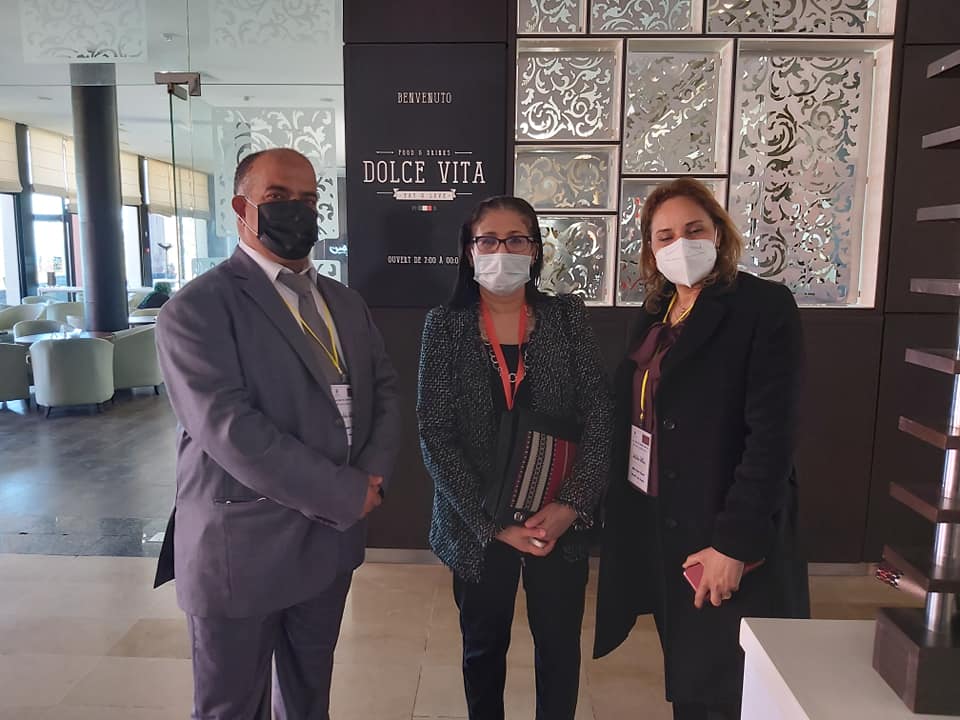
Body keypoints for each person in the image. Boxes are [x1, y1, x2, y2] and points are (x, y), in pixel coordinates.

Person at [154, 148, 401, 720]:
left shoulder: (345, 302)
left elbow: (385, 392)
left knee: (309, 698)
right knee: (233, 708)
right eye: (278, 197)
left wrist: (373, 476)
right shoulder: (196, 310)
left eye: (309, 198)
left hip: (329, 546)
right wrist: (345, 492)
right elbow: (231, 430)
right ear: (241, 209)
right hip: (242, 550)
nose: (298, 209)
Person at [593, 178, 809, 720]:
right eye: (665, 236)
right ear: (651, 251)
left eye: (694, 230)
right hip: (667, 527)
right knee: (691, 681)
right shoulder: (655, 313)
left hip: (727, 533)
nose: (681, 244)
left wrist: (733, 545)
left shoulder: (762, 307)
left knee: (732, 688)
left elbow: (772, 438)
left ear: (719, 233)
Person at [417, 196, 613, 720]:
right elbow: (434, 433)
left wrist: (572, 504)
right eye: (488, 240)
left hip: (557, 520)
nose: (501, 251)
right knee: (483, 652)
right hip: (477, 523)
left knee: (559, 650)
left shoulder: (566, 317)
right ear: (469, 251)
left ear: (535, 250)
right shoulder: (444, 325)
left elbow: (600, 416)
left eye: (516, 240)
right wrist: (493, 524)